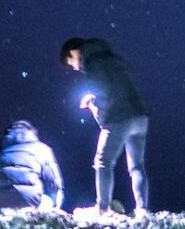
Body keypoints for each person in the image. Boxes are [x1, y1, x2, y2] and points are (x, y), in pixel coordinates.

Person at [59, 37, 149, 218]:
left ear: (75, 52)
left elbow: (104, 94)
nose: (75, 68)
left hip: (119, 117)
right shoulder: (111, 57)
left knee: (103, 161)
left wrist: (92, 105)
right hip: (139, 114)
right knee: (137, 166)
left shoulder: (93, 63)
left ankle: (102, 208)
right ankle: (142, 210)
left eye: (71, 62)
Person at [0, 120, 64, 211]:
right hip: (30, 204)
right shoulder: (42, 149)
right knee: (54, 195)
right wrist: (55, 206)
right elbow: (53, 184)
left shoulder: (0, 154)